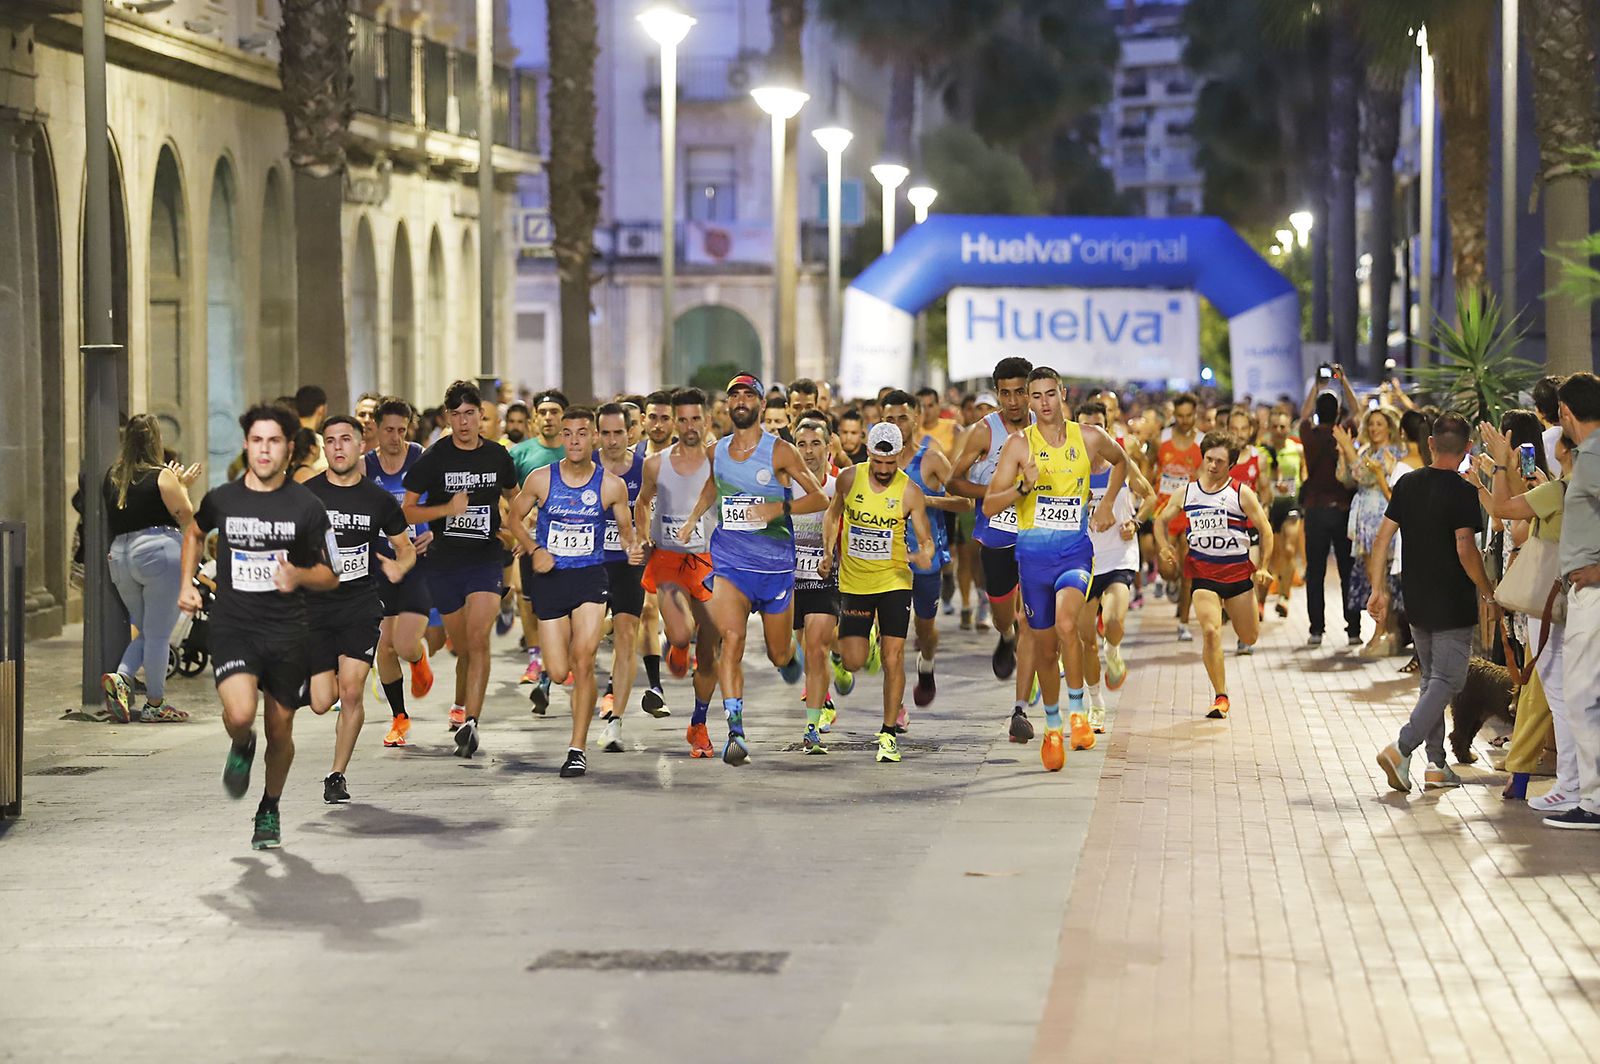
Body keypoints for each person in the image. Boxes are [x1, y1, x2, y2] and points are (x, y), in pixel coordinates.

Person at [179, 403, 338, 850]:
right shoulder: (223, 499)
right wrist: (188, 584)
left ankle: (269, 807)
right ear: (246, 445)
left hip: (289, 631)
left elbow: (331, 574)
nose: (264, 450)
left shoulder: (307, 507)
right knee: (242, 715)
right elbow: (193, 532)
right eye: (256, 441)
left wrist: (300, 576)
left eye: (273, 442)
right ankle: (240, 743)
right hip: (235, 625)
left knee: (280, 731)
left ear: (289, 448)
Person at [677, 374, 826, 766]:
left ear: (760, 404)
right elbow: (712, 486)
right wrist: (694, 518)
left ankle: (787, 658)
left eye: (749, 395)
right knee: (731, 638)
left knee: (779, 655)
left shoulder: (781, 452)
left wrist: (778, 509)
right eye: (734, 396)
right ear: (727, 406)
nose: (741, 401)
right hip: (730, 563)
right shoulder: (717, 451)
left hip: (775, 569)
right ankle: (735, 730)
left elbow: (819, 497)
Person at [985, 367, 1128, 771]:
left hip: (1074, 553)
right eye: (1036, 396)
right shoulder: (1018, 445)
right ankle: (1052, 726)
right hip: (1032, 559)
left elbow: (1123, 461)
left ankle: (1079, 714)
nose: (1044, 403)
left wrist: (1104, 505)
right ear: (1028, 401)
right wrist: (1023, 488)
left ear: (1062, 393)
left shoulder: (1089, 437)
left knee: (1069, 626)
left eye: (1051, 394)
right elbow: (991, 505)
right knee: (1046, 649)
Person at [510, 406, 641, 777]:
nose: (574, 441)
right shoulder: (541, 479)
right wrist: (535, 550)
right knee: (559, 667)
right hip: (551, 580)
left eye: (582, 434)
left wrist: (633, 548)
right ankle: (567, 657)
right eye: (568, 434)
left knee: (584, 661)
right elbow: (513, 519)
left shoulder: (610, 486)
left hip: (589, 578)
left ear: (594, 438)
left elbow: (627, 533)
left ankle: (576, 748)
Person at [1370, 414, 1494, 794]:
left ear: (1431, 445)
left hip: (1416, 598)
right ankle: (1403, 746)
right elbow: (1464, 546)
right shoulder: (1463, 490)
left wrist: (1378, 589)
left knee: (1431, 680)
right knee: (1449, 679)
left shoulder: (1407, 483)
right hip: (1452, 599)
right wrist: (1487, 589)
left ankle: (1437, 765)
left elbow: (1382, 539)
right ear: (1468, 448)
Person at [401, 380, 522, 759]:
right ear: (448, 417)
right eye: (458, 414)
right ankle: (462, 704)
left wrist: (516, 528)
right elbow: (406, 509)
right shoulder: (435, 458)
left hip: (485, 558)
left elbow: (513, 496)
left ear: (481, 417)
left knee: (479, 638)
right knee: (462, 644)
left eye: (472, 414)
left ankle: (471, 722)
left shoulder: (497, 456)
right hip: (445, 562)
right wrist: (443, 513)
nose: (465, 422)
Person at [302, 416, 415, 804]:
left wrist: (401, 564)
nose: (338, 447)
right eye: (330, 440)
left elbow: (406, 546)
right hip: (315, 609)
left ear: (359, 445)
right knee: (320, 702)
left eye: (345, 439)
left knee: (351, 693)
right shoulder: (306, 494)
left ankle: (336, 775)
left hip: (360, 605)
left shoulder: (377, 499)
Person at [819, 422, 936, 763]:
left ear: (900, 455)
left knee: (893, 657)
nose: (885, 471)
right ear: (868, 453)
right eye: (879, 462)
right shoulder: (849, 478)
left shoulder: (909, 492)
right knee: (854, 661)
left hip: (894, 582)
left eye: (891, 463)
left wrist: (921, 554)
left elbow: (926, 540)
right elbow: (832, 514)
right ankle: (860, 642)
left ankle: (887, 733)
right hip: (854, 583)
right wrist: (828, 553)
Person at [1478, 421, 1573, 809]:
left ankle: (1572, 785)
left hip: (1549, 603)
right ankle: (1573, 783)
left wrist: (1501, 466)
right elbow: (1522, 505)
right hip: (1567, 601)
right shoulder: (1568, 490)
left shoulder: (1562, 490)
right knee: (1565, 694)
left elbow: (1504, 510)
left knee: (1561, 695)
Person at [949, 357, 1040, 741]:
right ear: (998, 394)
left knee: (1031, 620)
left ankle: (1021, 704)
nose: (1015, 401)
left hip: (1038, 535)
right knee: (1006, 616)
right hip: (997, 534)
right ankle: (1004, 638)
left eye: (1021, 392)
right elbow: (954, 482)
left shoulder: (1049, 428)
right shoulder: (983, 432)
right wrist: (996, 493)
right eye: (1006, 393)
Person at [1154, 432, 1274, 719]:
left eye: (1220, 461)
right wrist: (1163, 547)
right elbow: (1160, 519)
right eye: (1209, 459)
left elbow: (1266, 530)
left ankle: (1241, 623)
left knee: (1249, 636)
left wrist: (1264, 566)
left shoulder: (1240, 493)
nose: (1212, 466)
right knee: (1210, 631)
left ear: (1231, 464)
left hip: (1236, 574)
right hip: (1203, 573)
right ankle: (1220, 695)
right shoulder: (1187, 492)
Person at [636, 388, 723, 757]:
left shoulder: (721, 461)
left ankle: (699, 723)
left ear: (706, 420)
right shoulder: (655, 464)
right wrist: (642, 536)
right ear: (674, 421)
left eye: (695, 419)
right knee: (682, 631)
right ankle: (677, 642)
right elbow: (641, 503)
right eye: (681, 419)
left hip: (710, 560)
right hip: (669, 560)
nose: (689, 426)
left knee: (710, 649)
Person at [100, 414, 201, 723]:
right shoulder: (162, 474)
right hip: (158, 551)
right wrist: (183, 485)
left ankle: (122, 678)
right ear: (156, 441)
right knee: (158, 635)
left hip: (120, 556)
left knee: (147, 631)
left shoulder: (113, 476)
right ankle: (155, 704)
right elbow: (186, 514)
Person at [881, 391, 969, 710]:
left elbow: (965, 501)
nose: (896, 425)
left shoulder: (930, 459)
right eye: (889, 419)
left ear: (916, 419)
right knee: (890, 638)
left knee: (925, 629)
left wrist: (926, 500)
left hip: (926, 560)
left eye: (902, 418)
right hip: (887, 561)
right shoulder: (874, 464)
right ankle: (896, 708)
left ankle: (927, 664)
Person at [1541, 373, 1600, 828]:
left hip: (1593, 594)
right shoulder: (1590, 455)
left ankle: (1594, 801)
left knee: (1580, 696)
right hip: (1586, 593)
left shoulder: (1596, 455)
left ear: (1565, 412)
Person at [591, 403, 666, 752]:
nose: (611, 440)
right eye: (605, 433)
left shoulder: (645, 469)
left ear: (631, 431)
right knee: (581, 645)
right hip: (588, 566)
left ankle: (615, 722)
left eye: (618, 432)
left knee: (625, 636)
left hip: (628, 564)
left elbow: (658, 512)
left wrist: (647, 543)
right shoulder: (583, 466)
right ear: (596, 434)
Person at [363, 397, 435, 748]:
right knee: (384, 648)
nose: (395, 437)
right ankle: (399, 718)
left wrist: (434, 529)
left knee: (405, 643)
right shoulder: (365, 467)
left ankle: (419, 659)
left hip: (417, 562)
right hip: (378, 565)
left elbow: (443, 501)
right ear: (375, 429)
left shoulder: (421, 458)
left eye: (401, 430)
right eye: (388, 430)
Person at [1075, 400, 1150, 731]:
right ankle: (1096, 704)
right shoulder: (1070, 469)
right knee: (1084, 638)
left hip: (1119, 556)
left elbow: (1148, 496)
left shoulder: (1121, 463)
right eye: (1083, 427)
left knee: (1114, 620)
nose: (1090, 434)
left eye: (1097, 427)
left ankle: (1115, 650)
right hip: (1081, 560)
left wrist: (1134, 522)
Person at [789, 415, 851, 752]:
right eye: (802, 444)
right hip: (790, 581)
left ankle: (812, 726)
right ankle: (839, 661)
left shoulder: (840, 483)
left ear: (829, 447)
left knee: (816, 650)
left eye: (816, 444)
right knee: (796, 649)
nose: (809, 451)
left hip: (827, 579)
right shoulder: (784, 484)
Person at [509, 389, 569, 683]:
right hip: (530, 539)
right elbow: (505, 495)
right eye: (543, 412)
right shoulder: (520, 453)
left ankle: (562, 657)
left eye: (554, 412)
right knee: (528, 598)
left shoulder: (576, 450)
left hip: (569, 539)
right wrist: (518, 526)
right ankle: (535, 657)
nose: (548, 418)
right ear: (535, 418)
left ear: (564, 417)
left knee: (566, 601)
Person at [1333, 405, 1403, 650]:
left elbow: (1367, 476)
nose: (1374, 429)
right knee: (1373, 578)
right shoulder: (1365, 450)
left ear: (1390, 428)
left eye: (1379, 424)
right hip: (1363, 521)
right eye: (1371, 424)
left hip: (1380, 520)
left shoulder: (1391, 453)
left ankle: (1381, 632)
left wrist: (1349, 451)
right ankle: (1386, 631)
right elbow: (1345, 478)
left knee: (1379, 580)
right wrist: (1345, 452)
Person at [1299, 373, 1361, 648]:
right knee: (1348, 570)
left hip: (1314, 511)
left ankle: (1316, 629)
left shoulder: (1309, 436)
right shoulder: (1344, 433)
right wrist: (1344, 380)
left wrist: (1316, 384)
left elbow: (1302, 417)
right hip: (1343, 510)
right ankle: (1353, 630)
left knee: (1315, 572)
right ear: (1337, 412)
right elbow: (1358, 411)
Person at [1153, 393, 1202, 641]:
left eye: (1188, 416)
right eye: (1179, 416)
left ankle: (1184, 622)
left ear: (1195, 414)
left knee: (1187, 574)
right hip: (1165, 513)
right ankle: (1169, 583)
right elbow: (1148, 467)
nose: (1184, 421)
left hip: (1190, 514)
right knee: (1168, 570)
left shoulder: (1203, 442)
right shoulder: (1160, 439)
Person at [1257, 409, 1305, 618]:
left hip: (1291, 505)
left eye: (1282, 427)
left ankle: (1284, 598)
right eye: (1274, 426)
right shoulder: (1261, 452)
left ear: (1289, 428)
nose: (1278, 431)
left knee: (1289, 548)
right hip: (1268, 507)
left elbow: (1305, 469)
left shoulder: (1297, 450)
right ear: (1269, 428)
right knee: (1271, 555)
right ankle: (1260, 601)